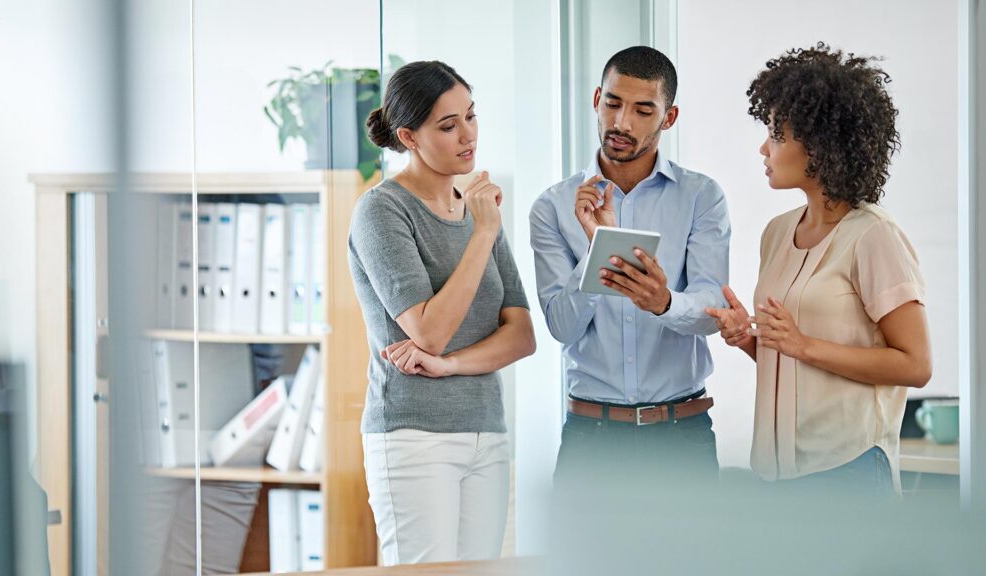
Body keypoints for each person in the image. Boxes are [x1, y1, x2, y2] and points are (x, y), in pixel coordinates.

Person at [706, 43, 932, 495]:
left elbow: (916, 364)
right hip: (775, 475)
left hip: (848, 471)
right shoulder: (776, 233)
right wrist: (752, 340)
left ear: (820, 145)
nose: (763, 147)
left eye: (776, 134)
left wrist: (803, 344)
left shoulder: (873, 236)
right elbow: (793, 357)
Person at [348, 60, 536, 564]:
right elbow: (428, 332)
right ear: (408, 136)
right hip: (413, 436)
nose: (467, 135)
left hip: (486, 430)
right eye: (448, 126)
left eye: (471, 117)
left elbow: (520, 336)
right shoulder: (382, 211)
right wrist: (482, 234)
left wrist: (451, 365)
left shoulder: (476, 207)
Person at [529, 46, 731, 496]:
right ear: (597, 99)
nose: (622, 123)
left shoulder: (702, 197)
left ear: (669, 117)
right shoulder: (553, 207)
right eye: (613, 104)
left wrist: (663, 302)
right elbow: (561, 327)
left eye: (643, 110)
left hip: (682, 437)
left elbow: (712, 309)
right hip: (591, 440)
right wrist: (598, 249)